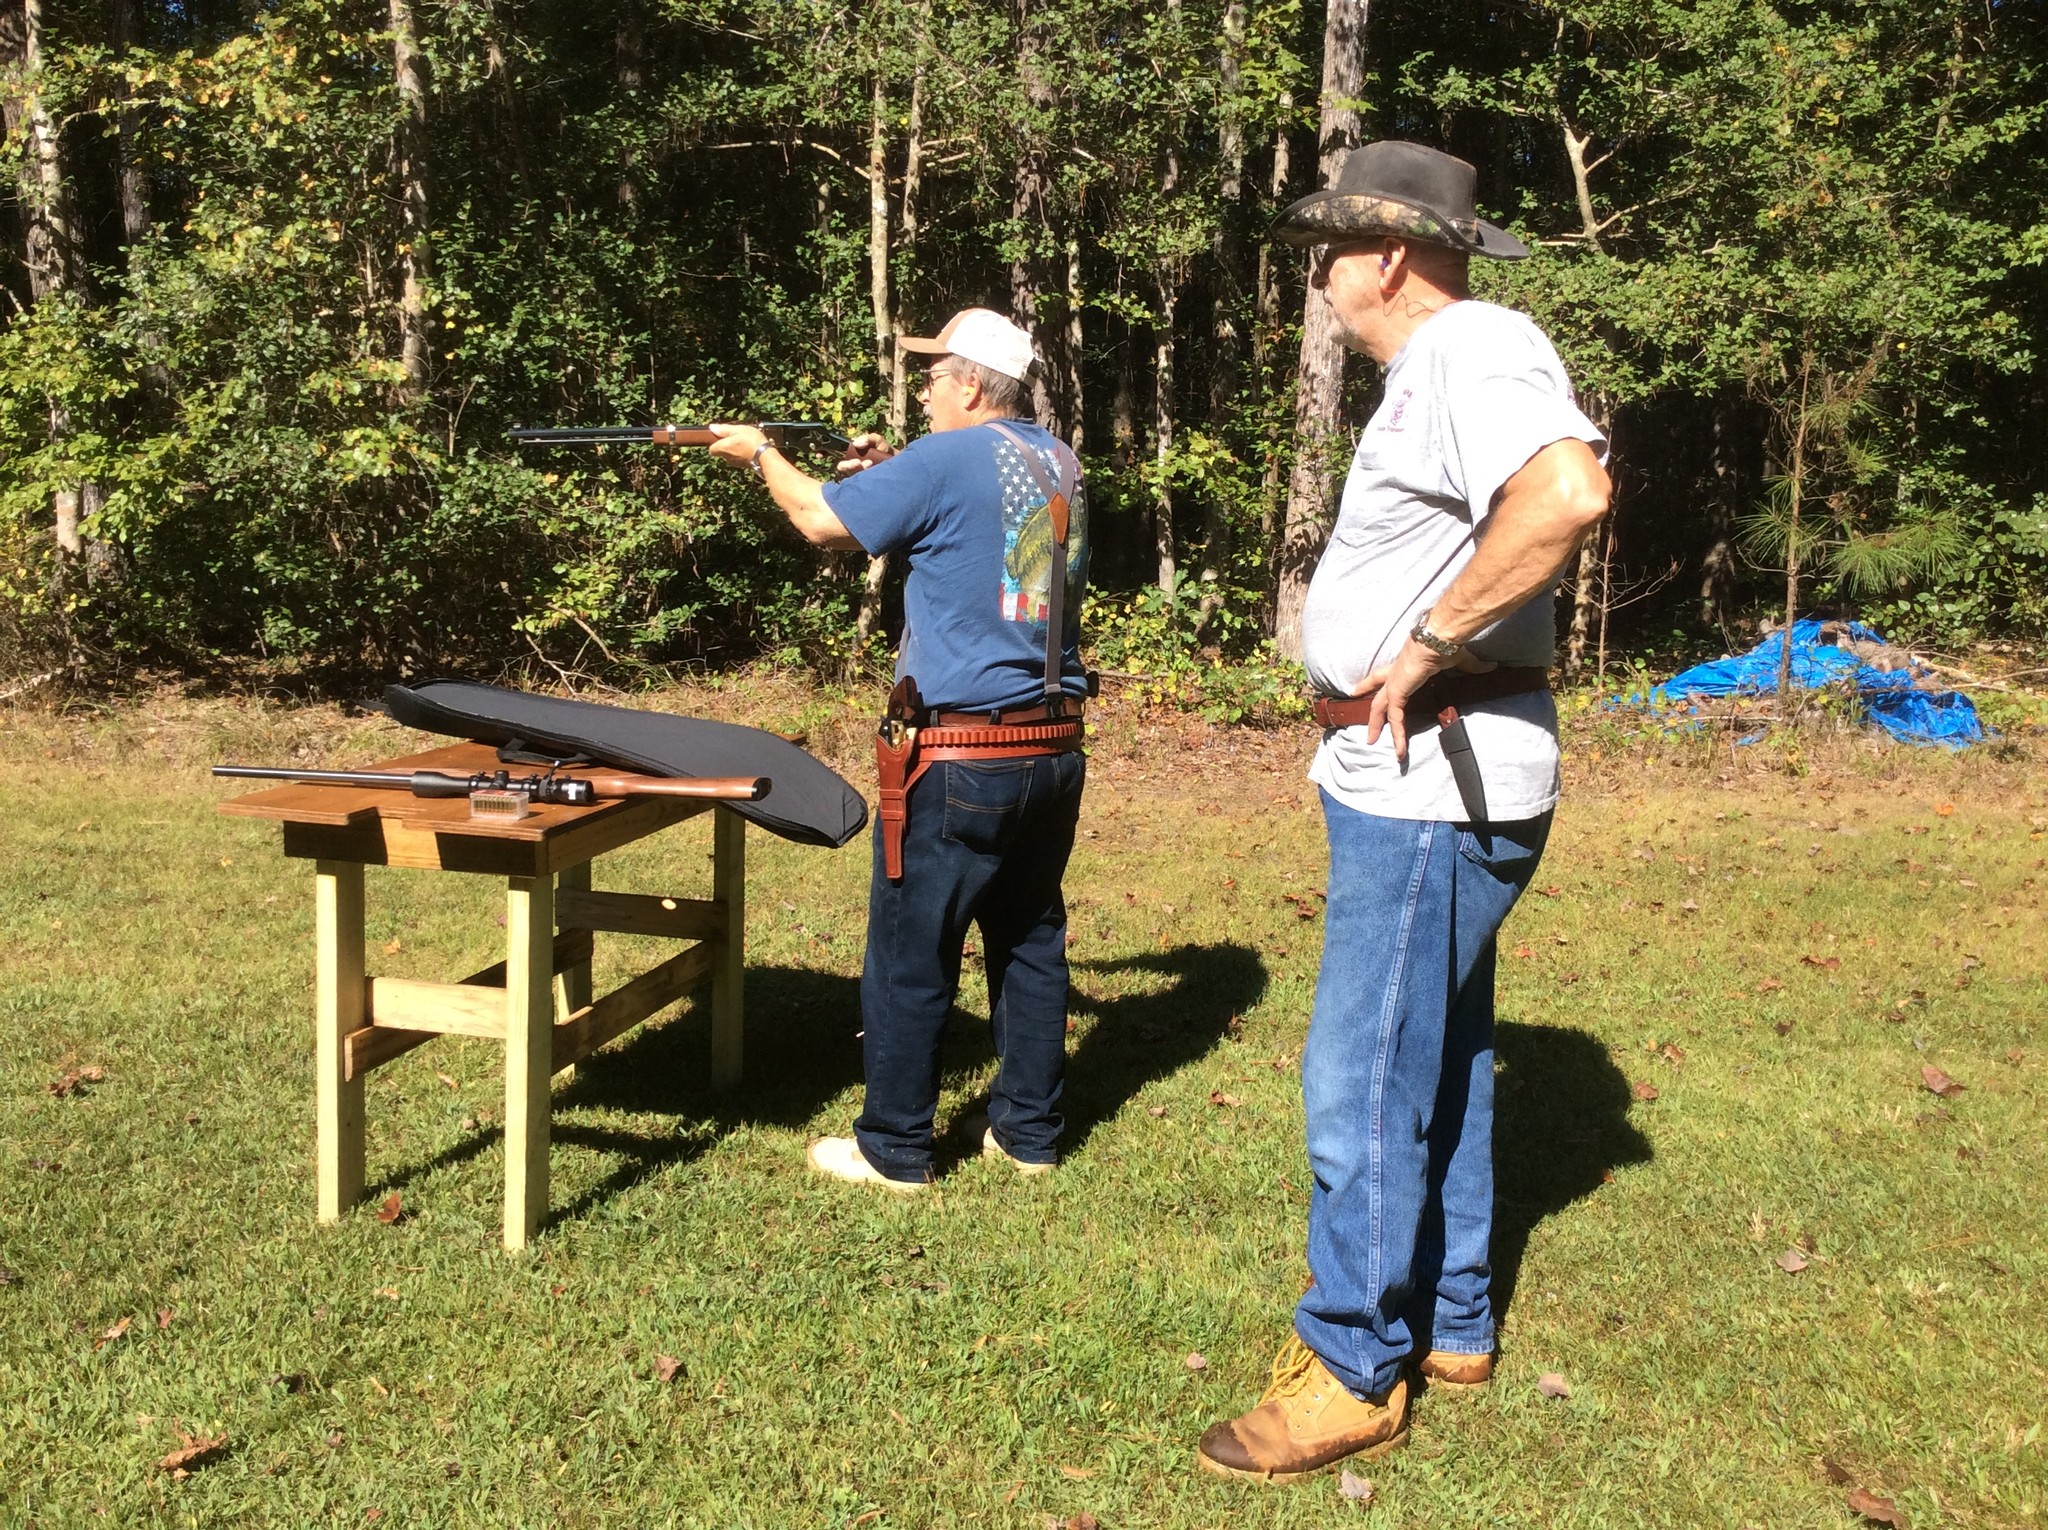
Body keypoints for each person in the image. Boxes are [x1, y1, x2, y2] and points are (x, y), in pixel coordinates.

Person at [1197, 142, 1611, 1482]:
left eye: (1325, 254)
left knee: (1362, 1068)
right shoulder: (1441, 371)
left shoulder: (1473, 342)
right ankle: (1451, 1318)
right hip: (1425, 772)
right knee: (1437, 1048)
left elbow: (1565, 492)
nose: (1316, 279)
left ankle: (1350, 1362)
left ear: (1384, 256)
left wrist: (1427, 639)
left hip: (1436, 771)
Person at [705, 307, 1090, 1192]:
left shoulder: (943, 458)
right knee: (1030, 937)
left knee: (913, 949)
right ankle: (1029, 1134)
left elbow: (817, 520)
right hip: (1052, 746)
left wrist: (760, 454)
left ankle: (895, 1148)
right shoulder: (1054, 458)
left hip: (959, 756)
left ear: (968, 384)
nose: (921, 389)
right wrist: (890, 475)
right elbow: (978, 532)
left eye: (932, 374)